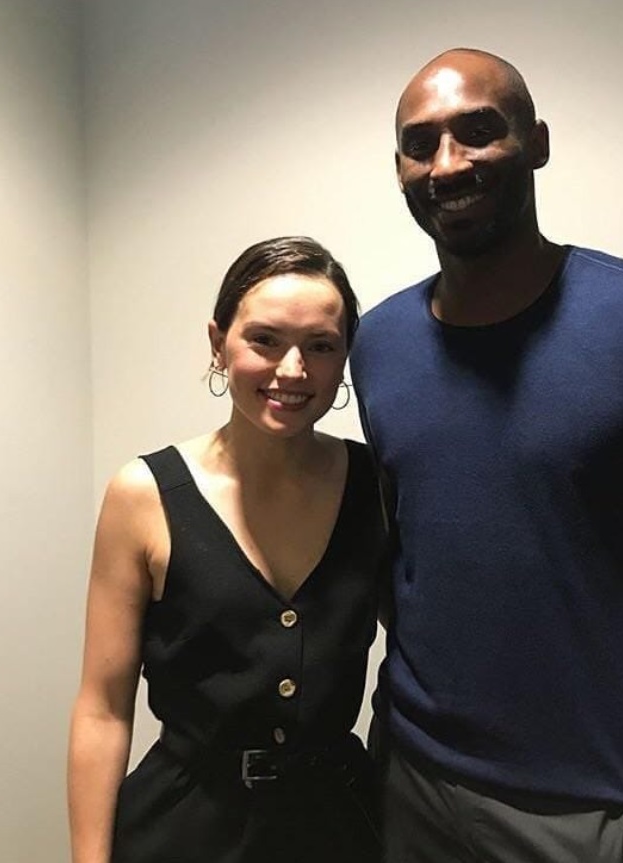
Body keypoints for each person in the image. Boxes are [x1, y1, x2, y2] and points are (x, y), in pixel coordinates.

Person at [350, 48, 623, 863]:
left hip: (582, 817)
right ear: (400, 169)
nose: (446, 163)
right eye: (420, 143)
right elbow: (409, 552)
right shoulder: (376, 342)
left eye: (477, 132)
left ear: (537, 143)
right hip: (403, 781)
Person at [68, 236, 385, 863]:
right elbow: (103, 709)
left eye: (321, 347)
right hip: (182, 828)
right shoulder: (144, 495)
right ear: (219, 343)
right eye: (264, 339)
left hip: (338, 826)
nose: (292, 371)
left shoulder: (376, 484)